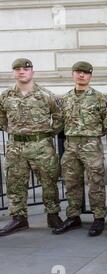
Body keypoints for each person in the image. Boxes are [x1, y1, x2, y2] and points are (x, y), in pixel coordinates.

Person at [0, 58, 63, 236]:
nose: (21, 72)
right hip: (15, 146)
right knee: (15, 183)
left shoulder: (46, 95)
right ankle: (18, 219)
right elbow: (1, 118)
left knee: (49, 181)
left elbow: (59, 118)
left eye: (25, 69)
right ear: (13, 73)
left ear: (32, 72)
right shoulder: (6, 96)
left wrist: (46, 134)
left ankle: (53, 215)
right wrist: (12, 130)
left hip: (41, 146)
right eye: (17, 69)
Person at [52, 61, 107, 236]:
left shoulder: (99, 98)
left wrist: (92, 134)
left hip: (91, 145)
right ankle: (73, 217)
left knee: (96, 182)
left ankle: (99, 218)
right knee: (72, 182)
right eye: (78, 72)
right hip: (71, 145)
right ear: (73, 74)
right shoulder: (64, 99)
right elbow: (58, 123)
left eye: (86, 73)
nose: (81, 75)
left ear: (90, 76)